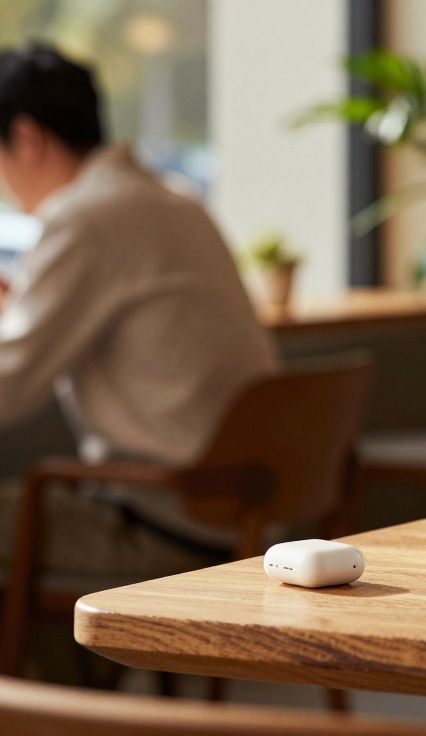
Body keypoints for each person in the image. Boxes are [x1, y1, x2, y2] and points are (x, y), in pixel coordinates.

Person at [0, 43, 277, 584]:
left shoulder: (86, 222)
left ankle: (53, 671)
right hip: (245, 509)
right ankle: (67, 670)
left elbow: (7, 385)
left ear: (28, 139)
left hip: (163, 519)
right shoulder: (172, 200)